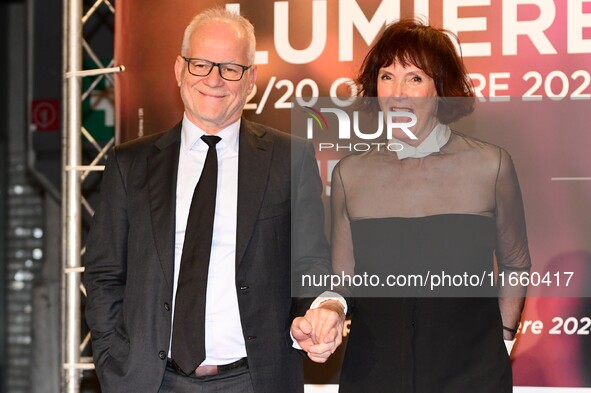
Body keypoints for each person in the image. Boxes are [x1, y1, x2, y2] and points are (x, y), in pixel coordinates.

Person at [83, 8, 344, 393]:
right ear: (179, 69)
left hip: (253, 380)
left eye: (230, 68)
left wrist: (319, 309)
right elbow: (104, 274)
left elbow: (310, 261)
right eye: (201, 64)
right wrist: (112, 362)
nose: (214, 79)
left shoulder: (290, 159)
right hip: (148, 381)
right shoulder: (130, 164)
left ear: (251, 79)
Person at [330, 19, 531, 392]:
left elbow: (516, 261)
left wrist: (501, 339)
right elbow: (343, 282)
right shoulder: (350, 174)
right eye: (387, 76)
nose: (397, 92)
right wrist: (328, 310)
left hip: (473, 376)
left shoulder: (491, 165)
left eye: (415, 78)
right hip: (373, 377)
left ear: (441, 90)